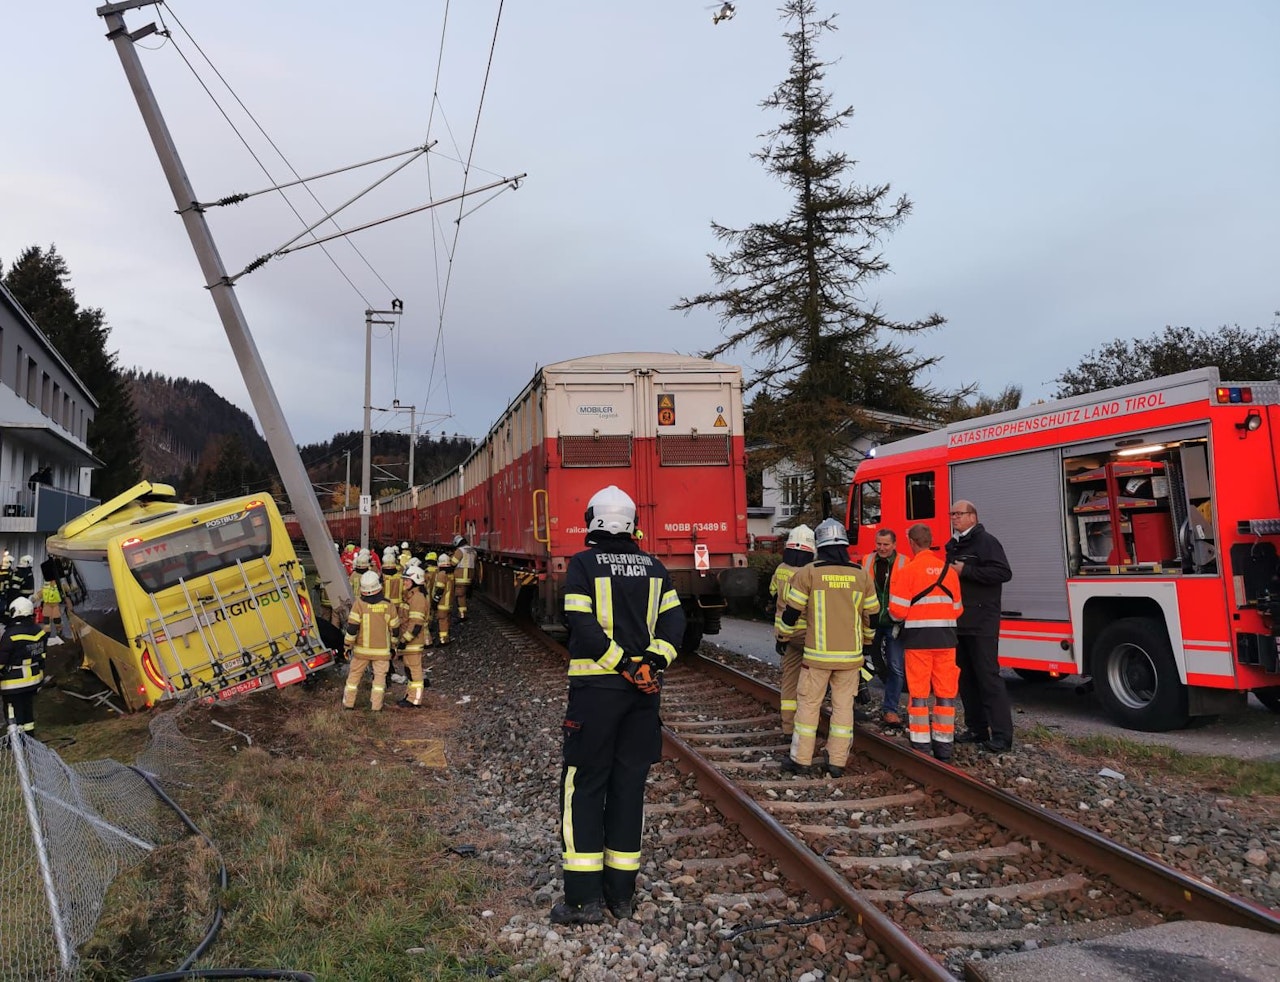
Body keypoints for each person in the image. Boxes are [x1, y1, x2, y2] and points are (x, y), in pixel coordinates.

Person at [552, 485, 685, 926]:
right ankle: (621, 896)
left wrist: (623, 665)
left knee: (585, 787)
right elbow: (674, 623)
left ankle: (581, 900)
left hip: (596, 696)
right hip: (642, 699)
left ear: (594, 521)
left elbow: (582, 626)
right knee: (629, 790)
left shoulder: (583, 564)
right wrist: (650, 664)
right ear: (630, 523)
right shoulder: (655, 567)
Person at [779, 518, 879, 779]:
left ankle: (800, 759)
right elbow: (873, 616)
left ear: (819, 546)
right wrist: (867, 643)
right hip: (850, 659)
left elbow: (791, 613)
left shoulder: (809, 573)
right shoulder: (861, 575)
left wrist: (783, 637)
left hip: (816, 657)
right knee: (844, 707)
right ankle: (837, 761)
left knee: (808, 706)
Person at [944, 500, 1014, 752]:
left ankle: (1002, 735)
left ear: (972, 516)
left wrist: (967, 571)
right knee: (966, 679)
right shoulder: (953, 545)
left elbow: (1003, 573)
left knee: (988, 677)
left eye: (959, 514)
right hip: (959, 621)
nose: (954, 517)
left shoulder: (987, 542)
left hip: (982, 621)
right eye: (952, 514)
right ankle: (976, 728)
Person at [890, 524, 964, 761]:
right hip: (946, 640)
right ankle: (944, 745)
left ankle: (921, 745)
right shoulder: (949, 572)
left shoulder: (908, 571)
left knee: (919, 692)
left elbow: (897, 611)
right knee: (945, 692)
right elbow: (957, 609)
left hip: (918, 641)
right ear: (930, 541)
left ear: (911, 542)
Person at [769, 524, 814, 736]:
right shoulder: (809, 572)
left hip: (783, 633)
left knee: (789, 679)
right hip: (806, 633)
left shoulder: (781, 569)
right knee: (816, 677)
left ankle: (788, 726)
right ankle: (809, 724)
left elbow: (771, 593)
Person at [342, 570, 400, 711]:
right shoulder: (388, 605)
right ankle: (376, 707)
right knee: (379, 681)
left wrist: (347, 646)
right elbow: (395, 629)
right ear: (378, 586)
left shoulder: (359, 604)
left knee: (353, 678)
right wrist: (393, 647)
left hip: (361, 651)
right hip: (382, 652)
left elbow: (352, 628)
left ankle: (348, 704)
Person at [869, 529, 909, 726]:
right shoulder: (868, 561)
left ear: (894, 544)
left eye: (885, 544)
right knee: (856, 661)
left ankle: (890, 709)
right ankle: (856, 698)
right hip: (871, 621)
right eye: (879, 544)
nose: (881, 548)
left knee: (895, 668)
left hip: (895, 623)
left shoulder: (905, 563)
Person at [1, 597, 48, 733]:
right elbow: (42, 655)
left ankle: (16, 740)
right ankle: (29, 736)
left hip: (13, 682)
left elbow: (2, 659)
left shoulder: (11, 634)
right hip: (33, 679)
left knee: (12, 710)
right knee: (27, 708)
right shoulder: (38, 631)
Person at [395, 565, 432, 708]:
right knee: (409, 670)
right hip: (409, 641)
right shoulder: (412, 596)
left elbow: (416, 624)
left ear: (415, 580)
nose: (404, 582)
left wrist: (404, 640)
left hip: (412, 642)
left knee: (414, 671)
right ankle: (410, 696)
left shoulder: (417, 598)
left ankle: (415, 700)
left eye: (407, 580)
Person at [450, 534, 478, 622]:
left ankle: (462, 615)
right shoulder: (473, 550)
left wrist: (451, 556)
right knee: (464, 595)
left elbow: (453, 563)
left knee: (460, 596)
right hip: (470, 576)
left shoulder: (460, 550)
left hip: (461, 577)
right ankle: (462, 614)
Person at [432, 554, 456, 646]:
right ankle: (446, 638)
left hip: (442, 603)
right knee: (447, 620)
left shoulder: (442, 574)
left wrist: (435, 601)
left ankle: (443, 640)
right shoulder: (451, 574)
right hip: (449, 603)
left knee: (442, 621)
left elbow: (439, 590)